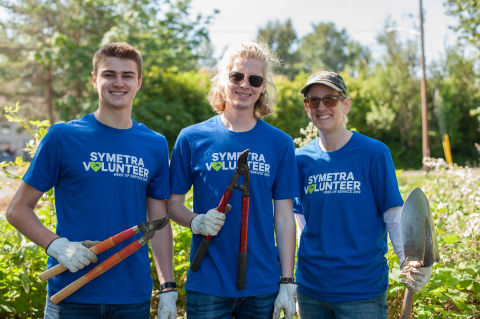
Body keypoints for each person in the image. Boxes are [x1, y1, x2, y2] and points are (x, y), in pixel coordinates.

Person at [6, 42, 178, 319]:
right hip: (71, 294)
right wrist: (57, 246)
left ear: (139, 82)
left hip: (131, 298)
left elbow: (158, 223)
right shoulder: (62, 137)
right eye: (109, 74)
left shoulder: (154, 144)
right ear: (94, 79)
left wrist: (167, 287)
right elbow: (17, 210)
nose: (118, 82)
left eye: (127, 75)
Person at [167, 42, 298, 319]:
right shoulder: (192, 138)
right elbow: (172, 204)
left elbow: (285, 218)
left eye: (254, 79)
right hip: (207, 284)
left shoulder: (280, 143)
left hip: (262, 286)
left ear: (263, 87)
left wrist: (287, 281)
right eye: (236, 76)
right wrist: (196, 221)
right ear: (223, 79)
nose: (244, 85)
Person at [293, 71, 431, 318]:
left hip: (362, 292)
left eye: (330, 99)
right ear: (307, 108)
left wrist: (406, 261)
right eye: (313, 101)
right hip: (311, 291)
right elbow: (300, 221)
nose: (321, 106)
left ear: (345, 104)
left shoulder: (373, 153)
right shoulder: (300, 159)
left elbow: (392, 213)